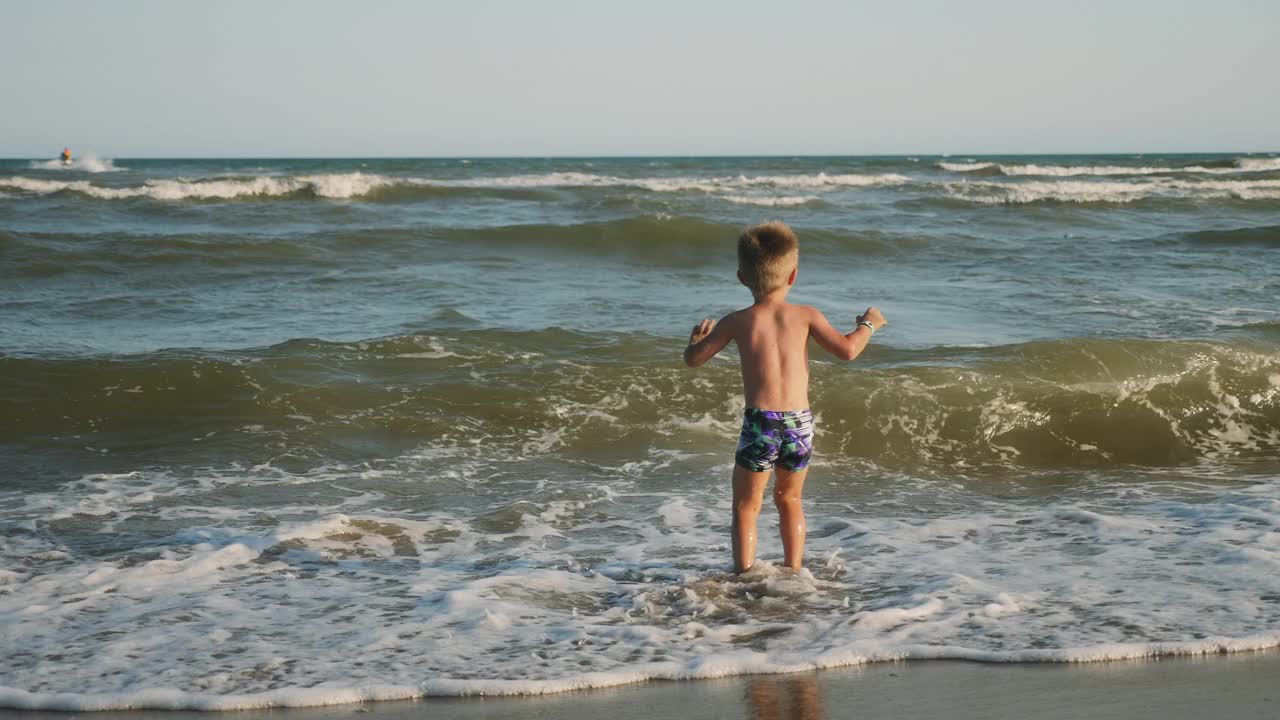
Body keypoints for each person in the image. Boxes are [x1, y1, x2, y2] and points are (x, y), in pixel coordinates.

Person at [682, 221, 886, 573]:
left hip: (760, 422)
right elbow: (849, 351)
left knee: (747, 505)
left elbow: (693, 361)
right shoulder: (807, 315)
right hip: (799, 424)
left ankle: (745, 574)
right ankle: (793, 572)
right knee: (790, 499)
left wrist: (695, 341)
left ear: (741, 277)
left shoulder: (736, 321)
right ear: (793, 276)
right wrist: (868, 324)